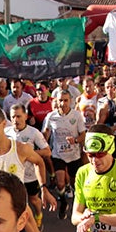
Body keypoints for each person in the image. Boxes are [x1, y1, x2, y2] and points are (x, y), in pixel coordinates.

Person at [5, 103, 55, 230]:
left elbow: (47, 152)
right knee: (15, 201)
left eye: (18, 116)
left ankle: (38, 215)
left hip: (30, 174)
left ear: (26, 116)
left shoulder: (34, 133)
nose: (16, 120)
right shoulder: (6, 132)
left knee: (33, 199)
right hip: (13, 175)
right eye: (13, 117)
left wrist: (28, 154)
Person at [42, 90, 87, 218]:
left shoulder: (76, 116)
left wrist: (76, 140)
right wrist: (43, 138)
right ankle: (63, 202)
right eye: (60, 100)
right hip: (58, 154)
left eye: (66, 100)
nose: (63, 103)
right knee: (60, 183)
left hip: (73, 155)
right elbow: (46, 133)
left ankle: (79, 206)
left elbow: (83, 134)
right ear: (56, 101)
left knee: (74, 184)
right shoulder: (51, 116)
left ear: (70, 101)